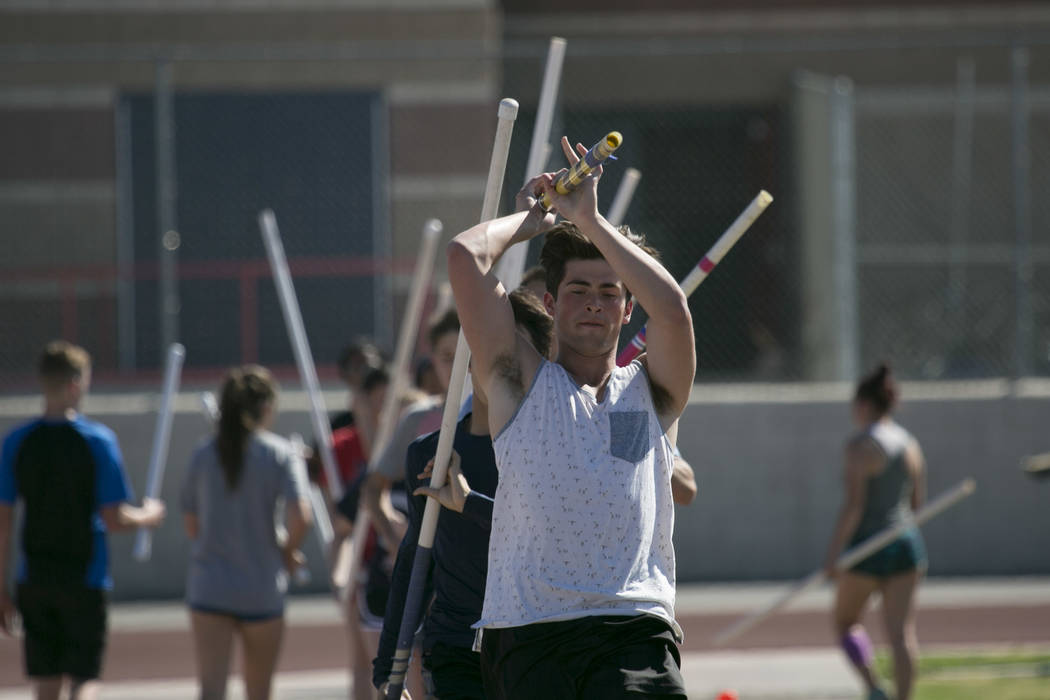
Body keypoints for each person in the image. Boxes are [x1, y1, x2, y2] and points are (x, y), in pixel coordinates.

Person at [447, 136, 695, 699]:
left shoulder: (653, 392)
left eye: (610, 293)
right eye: (578, 289)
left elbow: (674, 311)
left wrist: (590, 218)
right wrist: (532, 219)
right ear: (551, 304)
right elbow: (466, 257)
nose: (593, 302)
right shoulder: (518, 381)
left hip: (635, 629)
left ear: (628, 308)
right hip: (532, 635)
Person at [373, 288, 555, 700]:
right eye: (497, 352)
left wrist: (470, 504)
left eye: (523, 358)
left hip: (540, 647)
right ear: (468, 359)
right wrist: (388, 665)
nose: (508, 369)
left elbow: (547, 536)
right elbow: (416, 558)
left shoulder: (553, 449)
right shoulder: (433, 454)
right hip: (456, 649)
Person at [0, 341, 166, 700]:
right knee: (84, 678)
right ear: (75, 383)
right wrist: (148, 516)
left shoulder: (17, 443)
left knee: (45, 681)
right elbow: (116, 517)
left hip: (35, 577)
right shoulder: (97, 441)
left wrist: (2, 585)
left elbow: (3, 521)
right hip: (84, 577)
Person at [180, 365, 312, 700]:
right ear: (267, 407)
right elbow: (303, 515)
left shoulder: (203, 453)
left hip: (210, 585)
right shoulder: (280, 453)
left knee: (211, 690)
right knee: (259, 691)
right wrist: (287, 550)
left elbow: (191, 523)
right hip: (261, 585)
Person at [823, 363, 926, 700]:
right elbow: (915, 501)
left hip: (868, 547)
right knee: (901, 634)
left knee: (845, 620)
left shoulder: (860, 447)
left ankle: (873, 688)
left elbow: (854, 506)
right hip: (906, 543)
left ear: (864, 405)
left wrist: (835, 555)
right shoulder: (909, 443)